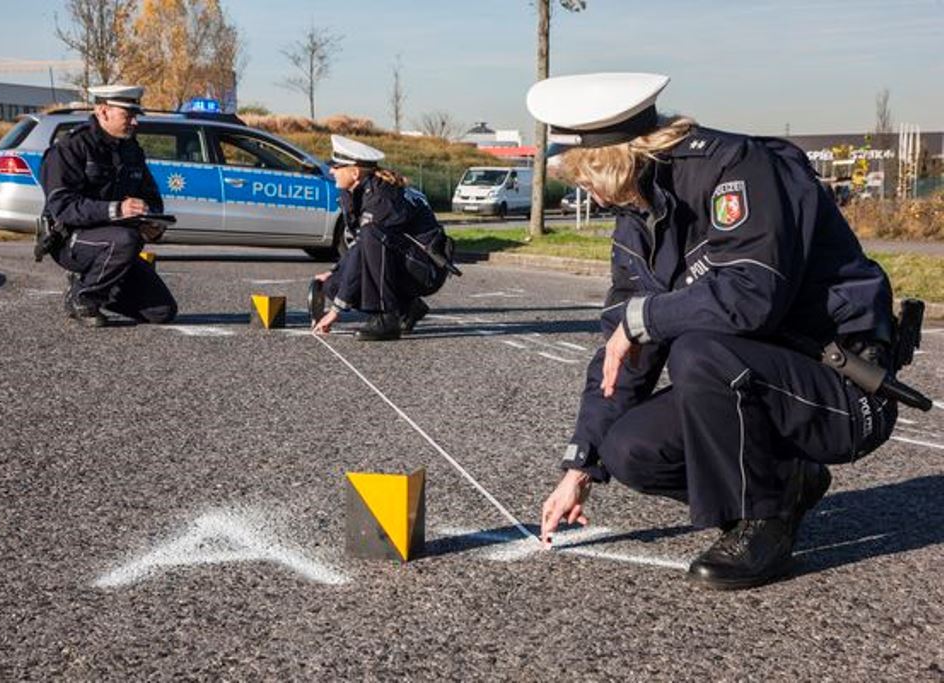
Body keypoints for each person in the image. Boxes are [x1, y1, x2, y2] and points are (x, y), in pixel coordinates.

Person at [530, 72, 899, 589]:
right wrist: (580, 467)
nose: (581, 188)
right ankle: (782, 484)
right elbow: (621, 353)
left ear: (610, 160)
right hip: (756, 376)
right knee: (628, 449)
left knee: (699, 353)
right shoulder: (638, 217)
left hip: (841, 386)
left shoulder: (734, 166)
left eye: (582, 175)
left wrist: (644, 319)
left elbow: (753, 296)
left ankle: (763, 526)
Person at [40, 84, 177, 327]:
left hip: (117, 244)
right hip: (71, 239)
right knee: (125, 239)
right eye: (128, 116)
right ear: (103, 112)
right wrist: (115, 210)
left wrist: (151, 220)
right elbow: (62, 206)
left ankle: (96, 284)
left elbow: (152, 198)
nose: (135, 123)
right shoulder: (71, 147)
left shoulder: (131, 150)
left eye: (135, 116)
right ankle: (83, 297)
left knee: (162, 311)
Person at [312, 135, 452, 341]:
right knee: (333, 285)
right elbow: (359, 247)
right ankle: (407, 308)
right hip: (406, 261)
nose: (331, 171)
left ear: (355, 172)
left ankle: (386, 318)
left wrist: (335, 311)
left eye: (337, 166)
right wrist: (334, 272)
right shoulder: (355, 191)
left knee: (371, 235)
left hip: (426, 269)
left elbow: (366, 247)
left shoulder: (382, 197)